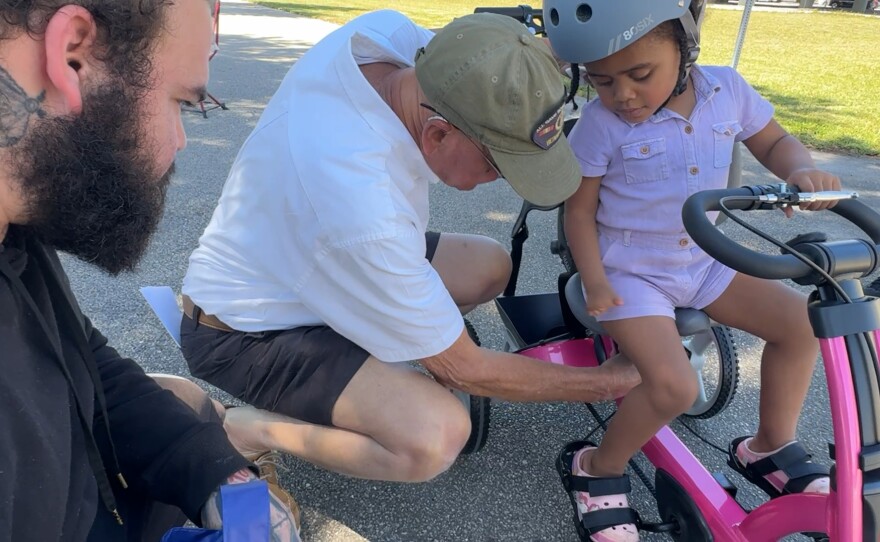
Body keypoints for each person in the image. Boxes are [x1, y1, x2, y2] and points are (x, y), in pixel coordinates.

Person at [179, 9, 640, 484]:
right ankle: (248, 430)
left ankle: (389, 347)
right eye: (498, 166)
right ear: (438, 133)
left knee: (488, 265)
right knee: (435, 435)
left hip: (304, 261)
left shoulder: (384, 37)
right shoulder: (362, 204)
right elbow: (466, 369)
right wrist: (607, 383)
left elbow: (484, 61)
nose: (503, 182)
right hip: (241, 334)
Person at [0, 0, 300, 540]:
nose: (180, 140)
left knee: (188, 401)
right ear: (73, 56)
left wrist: (222, 479)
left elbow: (80, 363)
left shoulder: (16, 227)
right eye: (181, 102)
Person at [544, 1, 839, 540]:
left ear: (684, 46)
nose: (623, 95)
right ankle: (597, 469)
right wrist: (596, 280)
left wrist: (799, 169)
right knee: (673, 387)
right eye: (602, 81)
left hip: (703, 260)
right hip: (631, 273)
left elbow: (772, 140)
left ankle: (769, 446)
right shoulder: (599, 124)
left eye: (639, 75)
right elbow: (579, 211)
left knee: (800, 325)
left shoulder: (727, 89)